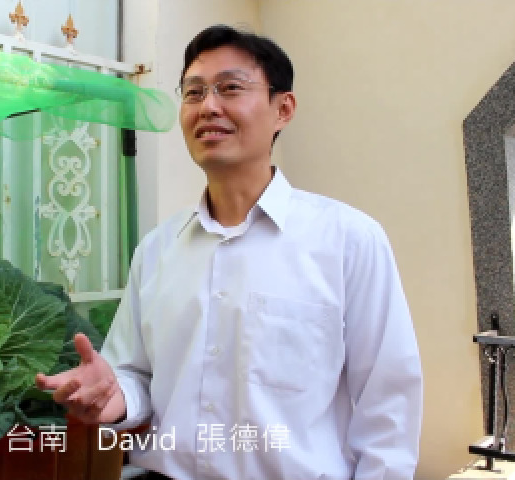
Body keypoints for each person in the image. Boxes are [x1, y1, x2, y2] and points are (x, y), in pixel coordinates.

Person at [35, 25, 423, 480]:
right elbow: (135, 377)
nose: (208, 107)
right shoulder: (157, 249)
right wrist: (113, 395)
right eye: (194, 92)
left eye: (230, 88)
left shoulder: (349, 241)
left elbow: (388, 406)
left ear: (283, 109)